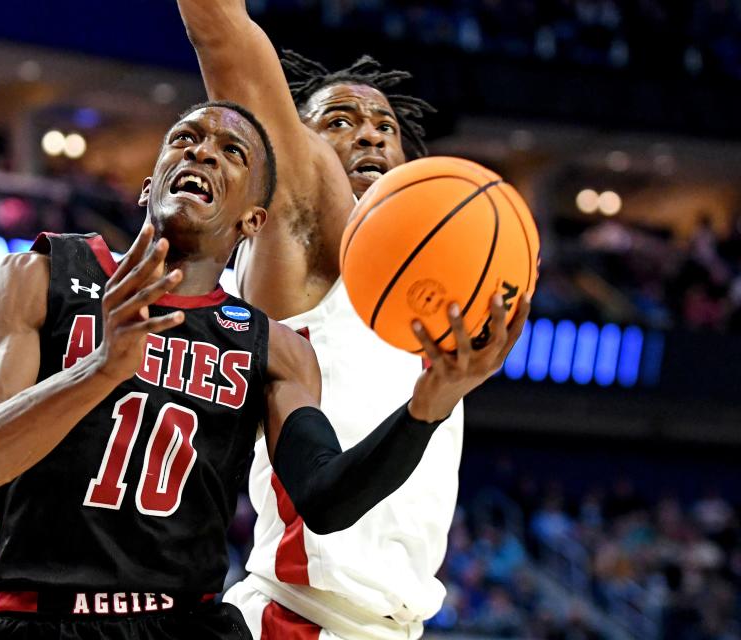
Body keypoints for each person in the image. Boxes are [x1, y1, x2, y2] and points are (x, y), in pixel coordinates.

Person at [0, 101, 525, 640]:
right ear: (149, 186)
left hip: (185, 623)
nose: (201, 152)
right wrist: (99, 370)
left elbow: (327, 503)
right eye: (186, 138)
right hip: (44, 619)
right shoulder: (40, 276)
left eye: (232, 152)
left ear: (254, 220)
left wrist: (428, 408)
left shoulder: (273, 349)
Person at [178, 3, 530, 638]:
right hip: (298, 616)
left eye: (384, 126)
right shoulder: (303, 225)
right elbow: (223, 33)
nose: (370, 135)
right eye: (338, 121)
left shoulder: (439, 281)